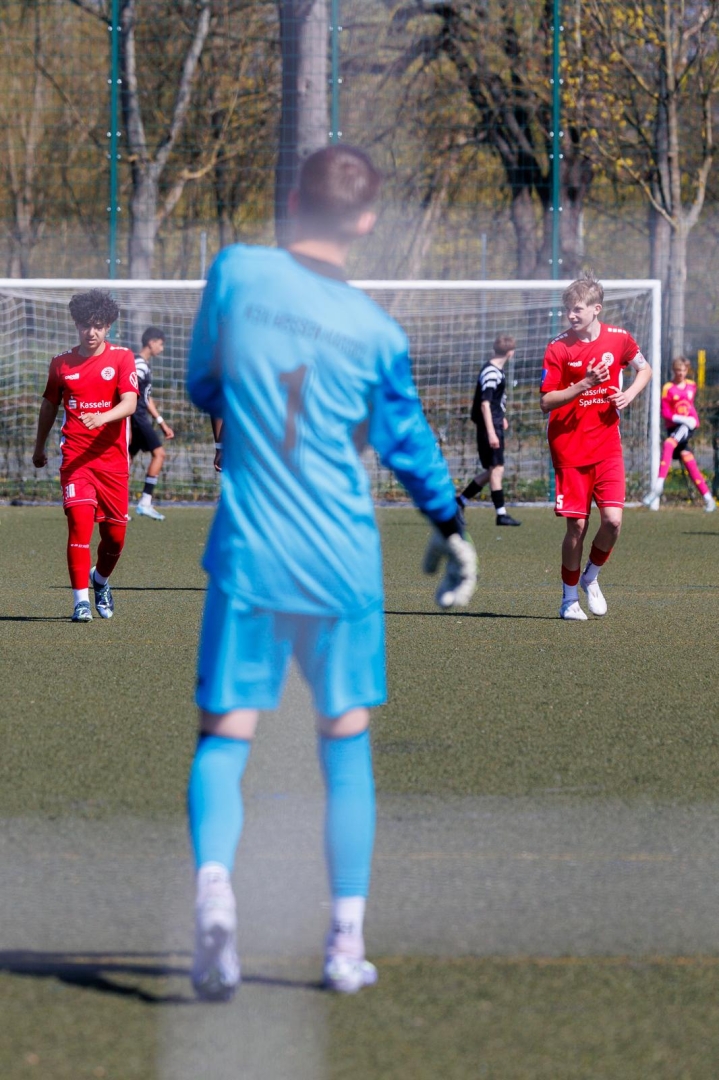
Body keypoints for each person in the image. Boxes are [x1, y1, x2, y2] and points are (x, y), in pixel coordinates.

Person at [185, 145, 477, 1001]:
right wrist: (450, 525)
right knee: (344, 746)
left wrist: (247, 404)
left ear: (291, 201)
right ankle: (344, 943)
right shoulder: (376, 333)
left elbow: (203, 382)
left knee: (223, 737)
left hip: (250, 549)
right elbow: (408, 444)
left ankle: (214, 898)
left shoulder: (235, 273)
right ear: (366, 221)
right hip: (340, 561)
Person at [540, 272, 652, 621]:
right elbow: (546, 401)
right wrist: (585, 383)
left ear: (595, 309)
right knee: (576, 527)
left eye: (577, 309)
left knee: (613, 522)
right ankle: (568, 599)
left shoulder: (619, 339)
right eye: (567, 310)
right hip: (569, 447)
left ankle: (591, 575)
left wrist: (629, 395)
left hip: (606, 445)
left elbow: (644, 369)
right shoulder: (558, 347)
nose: (570, 315)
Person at [32, 289, 138, 622]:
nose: (91, 332)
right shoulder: (60, 364)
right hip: (76, 460)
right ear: (76, 325)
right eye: (84, 325)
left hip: (113, 463)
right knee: (79, 525)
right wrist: (39, 446)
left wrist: (103, 417)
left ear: (108, 327)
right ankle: (80, 601)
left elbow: (130, 403)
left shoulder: (122, 358)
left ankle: (100, 580)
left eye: (98, 326)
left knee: (115, 538)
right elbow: (49, 405)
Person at [457, 333, 521, 526]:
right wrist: (492, 431)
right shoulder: (491, 372)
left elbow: (493, 402)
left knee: (492, 471)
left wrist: (501, 417)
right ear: (510, 353)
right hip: (489, 428)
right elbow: (485, 404)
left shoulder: (496, 370)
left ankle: (459, 501)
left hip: (493, 424)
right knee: (497, 469)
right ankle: (501, 514)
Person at [642, 356, 716, 512]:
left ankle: (658, 486)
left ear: (687, 370)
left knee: (669, 444)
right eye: (678, 370)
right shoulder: (668, 388)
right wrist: (681, 418)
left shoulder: (692, 386)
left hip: (686, 426)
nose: (681, 373)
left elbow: (690, 407)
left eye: (683, 370)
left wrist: (692, 420)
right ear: (673, 371)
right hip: (675, 426)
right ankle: (709, 499)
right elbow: (666, 412)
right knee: (689, 460)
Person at [130, 326, 175, 520]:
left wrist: (161, 422)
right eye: (161, 344)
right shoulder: (138, 364)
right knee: (159, 454)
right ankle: (145, 502)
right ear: (151, 342)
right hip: (136, 417)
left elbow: (146, 398)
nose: (162, 349)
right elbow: (126, 391)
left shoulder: (144, 365)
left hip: (139, 416)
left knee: (126, 460)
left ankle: (116, 506)